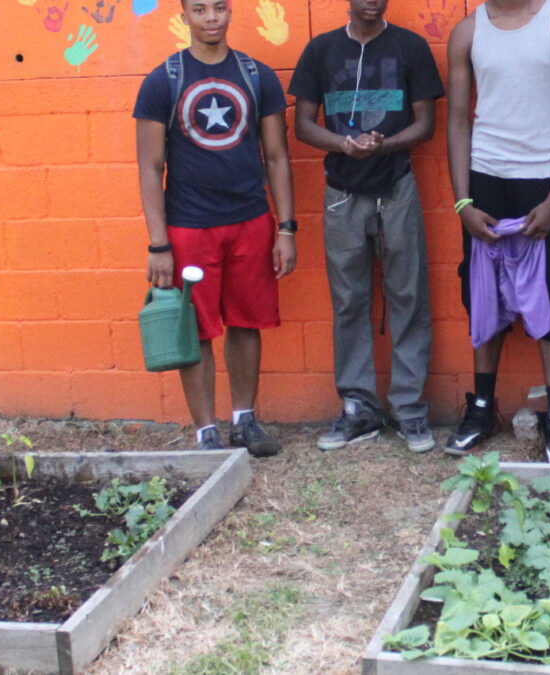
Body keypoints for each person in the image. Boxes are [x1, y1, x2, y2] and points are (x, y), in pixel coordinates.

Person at [134, 0, 296, 455]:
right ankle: (205, 430)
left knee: (247, 324)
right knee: (198, 329)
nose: (211, 18)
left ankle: (244, 419)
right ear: (183, 15)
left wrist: (286, 228)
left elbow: (278, 156)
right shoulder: (161, 81)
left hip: (250, 221)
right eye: (199, 9)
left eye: (219, 8)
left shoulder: (256, 75)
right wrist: (158, 243)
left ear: (230, 13)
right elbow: (150, 168)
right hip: (188, 226)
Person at [288, 0, 445, 454]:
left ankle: (410, 409)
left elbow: (427, 123)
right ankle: (358, 408)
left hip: (395, 186)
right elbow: (302, 125)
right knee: (349, 301)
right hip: (341, 192)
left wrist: (383, 146)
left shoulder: (411, 47)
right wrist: (343, 144)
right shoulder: (320, 50)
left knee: (408, 296)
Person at [445, 0, 550, 463]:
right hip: (485, 179)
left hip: (545, 178)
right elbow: (457, 120)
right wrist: (463, 201)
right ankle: (482, 409)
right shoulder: (467, 33)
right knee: (483, 292)